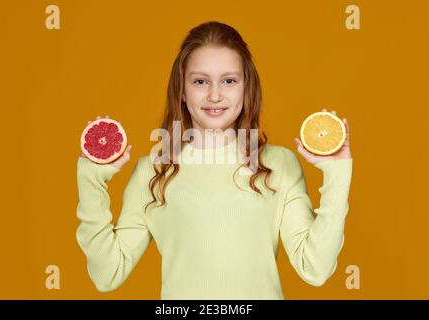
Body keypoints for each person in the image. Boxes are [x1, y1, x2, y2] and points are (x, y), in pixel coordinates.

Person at [76, 21, 353, 299]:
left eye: (229, 81)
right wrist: (92, 178)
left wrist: (337, 173)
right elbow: (106, 274)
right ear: (182, 90)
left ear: (246, 89)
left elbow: (315, 269)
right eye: (200, 81)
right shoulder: (153, 170)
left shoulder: (279, 165)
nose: (215, 95)